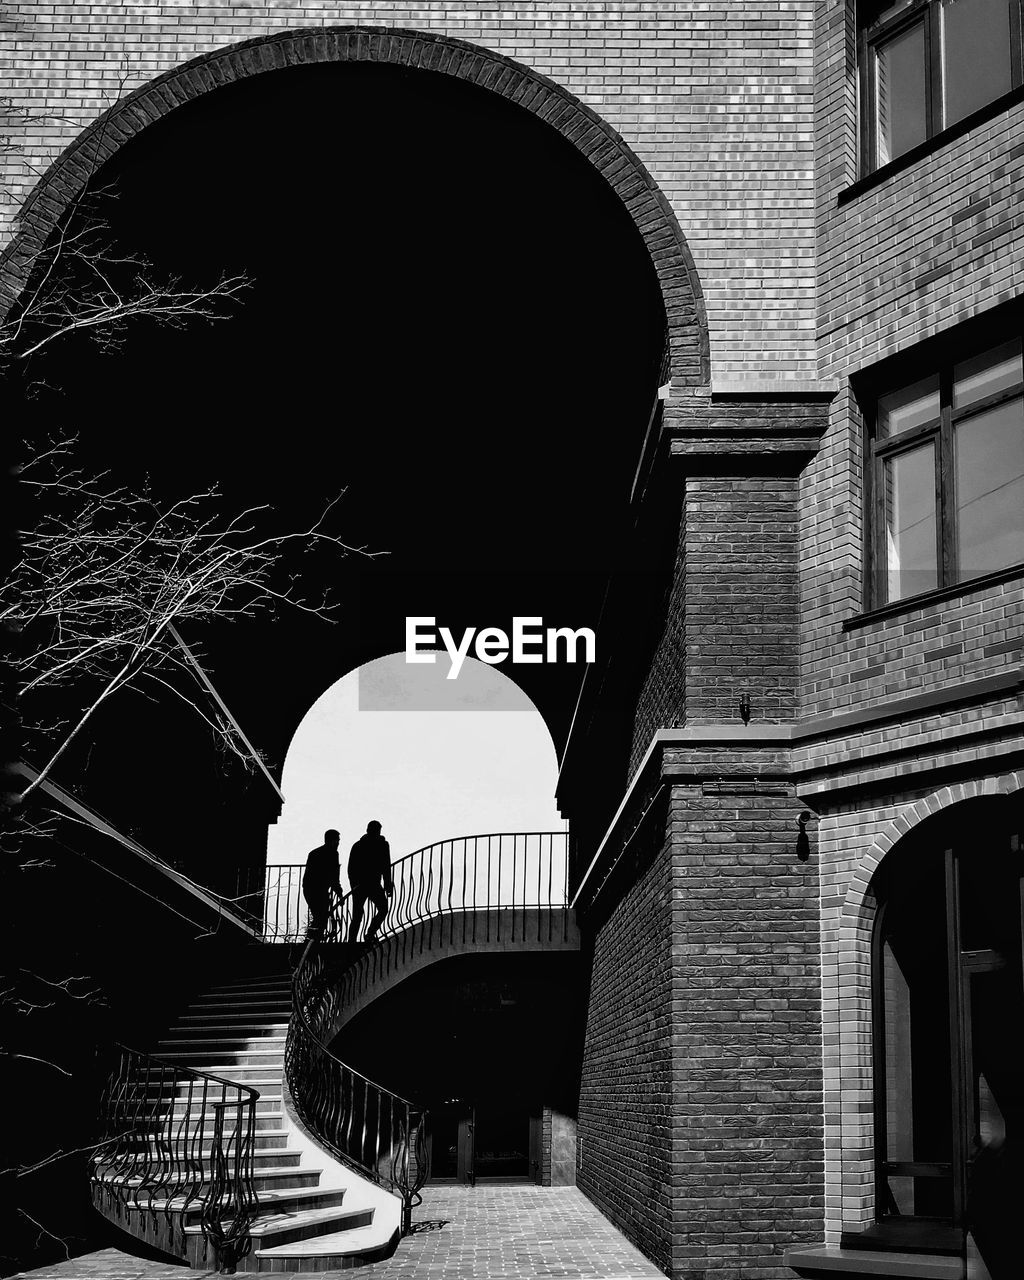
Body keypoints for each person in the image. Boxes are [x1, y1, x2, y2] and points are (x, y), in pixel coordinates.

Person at [348, 820, 393, 944]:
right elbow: (386, 866)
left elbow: (385, 866)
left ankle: (358, 938)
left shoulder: (359, 845)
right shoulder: (379, 845)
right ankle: (365, 935)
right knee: (362, 913)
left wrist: (387, 884)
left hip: (365, 885)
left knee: (360, 914)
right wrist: (387, 884)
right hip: (367, 884)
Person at [302, 829, 342, 937]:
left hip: (310, 889)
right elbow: (334, 876)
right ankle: (313, 939)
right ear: (331, 840)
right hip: (318, 890)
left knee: (319, 917)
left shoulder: (314, 853)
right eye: (337, 840)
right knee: (321, 917)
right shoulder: (333, 854)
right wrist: (339, 892)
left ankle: (312, 939)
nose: (338, 843)